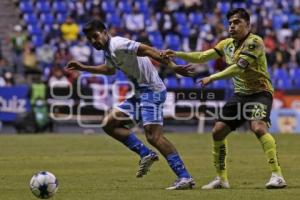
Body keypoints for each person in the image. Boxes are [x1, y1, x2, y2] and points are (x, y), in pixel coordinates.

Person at [162, 8, 287, 189]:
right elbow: (202, 56)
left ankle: (277, 175)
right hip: (240, 94)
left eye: (237, 22)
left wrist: (212, 78)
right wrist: (177, 54)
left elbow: (238, 68)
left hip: (260, 93)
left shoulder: (255, 42)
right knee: (217, 132)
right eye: (230, 23)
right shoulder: (226, 44)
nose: (232, 26)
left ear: (248, 25)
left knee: (258, 127)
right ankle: (222, 179)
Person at [65, 19, 195, 190]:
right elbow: (109, 70)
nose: (93, 41)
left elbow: (147, 50)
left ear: (105, 32)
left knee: (154, 136)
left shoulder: (118, 44)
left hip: (152, 91)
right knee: (109, 123)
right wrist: (84, 67)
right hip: (141, 93)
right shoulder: (109, 51)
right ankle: (145, 153)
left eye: (95, 36)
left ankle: (185, 177)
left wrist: (173, 67)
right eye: (90, 39)